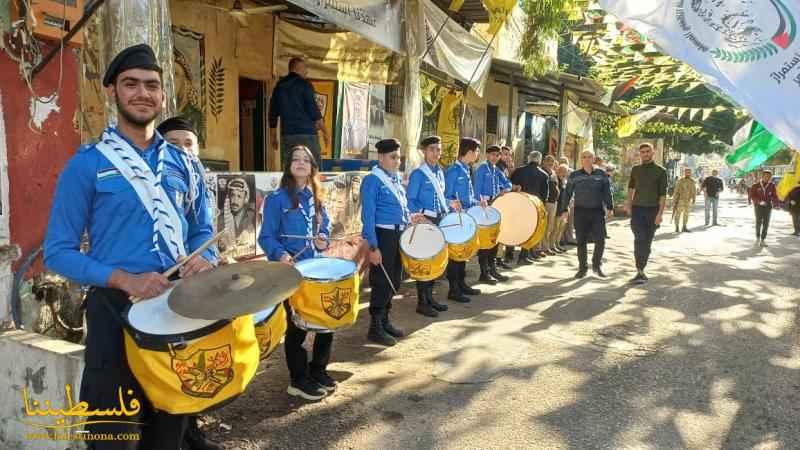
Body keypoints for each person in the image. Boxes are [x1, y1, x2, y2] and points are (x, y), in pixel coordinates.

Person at [43, 44, 216, 450]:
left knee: (169, 428)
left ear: (162, 95)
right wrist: (122, 278)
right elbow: (58, 250)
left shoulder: (185, 162)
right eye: (130, 84)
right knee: (111, 435)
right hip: (114, 310)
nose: (142, 93)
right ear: (111, 92)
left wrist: (205, 258)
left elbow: (202, 230)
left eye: (151, 85)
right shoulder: (86, 164)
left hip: (177, 308)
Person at [156, 117, 221, 450]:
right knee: (162, 366)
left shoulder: (200, 183)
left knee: (191, 360)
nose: (183, 149)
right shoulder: (153, 183)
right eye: (174, 143)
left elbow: (205, 230)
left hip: (192, 284)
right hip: (157, 287)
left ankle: (191, 433)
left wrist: (208, 257)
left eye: (189, 143)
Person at [258, 145, 335, 401]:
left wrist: (324, 237)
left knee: (326, 321)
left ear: (312, 167)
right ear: (289, 166)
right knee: (298, 327)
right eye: (295, 159)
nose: (301, 163)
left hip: (319, 268)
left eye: (306, 160)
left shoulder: (317, 196)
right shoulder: (276, 199)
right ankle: (298, 379)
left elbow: (326, 225)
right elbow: (267, 237)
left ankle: (318, 370)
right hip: (293, 271)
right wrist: (280, 255)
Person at [361, 138, 421, 346]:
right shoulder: (373, 180)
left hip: (399, 234)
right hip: (382, 236)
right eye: (392, 157)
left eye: (398, 157)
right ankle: (374, 327)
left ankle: (385, 320)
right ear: (381, 157)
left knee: (395, 280)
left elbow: (401, 208)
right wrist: (373, 246)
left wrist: (410, 218)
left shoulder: (395, 179)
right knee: (382, 281)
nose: (397, 161)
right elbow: (368, 216)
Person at [406, 136, 451, 317]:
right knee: (424, 260)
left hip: (439, 220)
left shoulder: (440, 172)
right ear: (424, 151)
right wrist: (421, 216)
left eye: (438, 150)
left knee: (434, 260)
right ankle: (422, 302)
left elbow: (440, 198)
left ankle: (430, 298)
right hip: (424, 221)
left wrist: (450, 203)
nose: (436, 153)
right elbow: (410, 200)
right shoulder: (419, 174)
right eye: (432, 149)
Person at [445, 137, 487, 301]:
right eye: (477, 151)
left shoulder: (466, 169)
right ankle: (453, 289)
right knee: (455, 255)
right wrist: (453, 204)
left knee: (463, 254)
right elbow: (446, 196)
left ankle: (461, 284)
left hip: (465, 217)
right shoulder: (454, 171)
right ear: (469, 152)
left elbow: (468, 198)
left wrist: (479, 203)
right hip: (455, 219)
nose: (477, 154)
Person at [560, 150, 613, 279]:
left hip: (597, 212)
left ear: (593, 159)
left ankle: (596, 265)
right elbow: (567, 193)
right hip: (580, 212)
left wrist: (610, 208)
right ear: (580, 159)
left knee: (600, 240)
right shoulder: (574, 175)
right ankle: (582, 268)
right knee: (581, 241)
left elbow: (607, 192)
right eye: (584, 157)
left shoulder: (601, 174)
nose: (587, 159)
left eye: (589, 157)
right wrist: (564, 210)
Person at [269, 56, 329, 165]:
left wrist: (273, 136)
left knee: (291, 169)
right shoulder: (305, 84)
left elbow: (273, 113)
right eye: (305, 68)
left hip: (287, 136)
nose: (306, 71)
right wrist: (325, 132)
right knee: (313, 168)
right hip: (307, 135)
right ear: (297, 68)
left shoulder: (279, 86)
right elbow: (314, 111)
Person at [624, 142, 667, 284]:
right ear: (640, 154)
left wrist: (660, 214)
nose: (645, 154)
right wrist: (628, 204)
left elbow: (662, 194)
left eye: (648, 151)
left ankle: (642, 268)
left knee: (647, 241)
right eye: (642, 152)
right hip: (637, 209)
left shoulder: (661, 171)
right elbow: (630, 188)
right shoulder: (635, 169)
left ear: (652, 152)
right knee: (639, 238)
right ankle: (639, 270)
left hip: (653, 210)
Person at [473, 145, 512, 284]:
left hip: (495, 204)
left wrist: (504, 190)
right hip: (484, 205)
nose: (495, 157)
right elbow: (476, 191)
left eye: (497, 155)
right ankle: (484, 273)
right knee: (485, 240)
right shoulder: (482, 169)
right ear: (487, 155)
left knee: (494, 239)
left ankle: (492, 269)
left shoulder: (497, 170)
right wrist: (482, 202)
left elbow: (508, 183)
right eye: (493, 154)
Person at [509, 151, 549, 265]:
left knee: (514, 228)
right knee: (529, 230)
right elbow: (544, 195)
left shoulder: (518, 170)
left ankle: (509, 253)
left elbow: (511, 186)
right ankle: (523, 256)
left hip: (518, 203)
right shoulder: (544, 175)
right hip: (533, 206)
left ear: (529, 158)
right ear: (539, 160)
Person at [749, 169, 779, 246]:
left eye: (769, 177)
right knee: (758, 222)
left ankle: (763, 239)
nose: (767, 178)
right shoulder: (755, 185)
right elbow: (752, 196)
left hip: (768, 206)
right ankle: (758, 237)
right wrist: (759, 201)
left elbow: (774, 196)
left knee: (766, 223)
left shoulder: (772, 185)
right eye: (766, 176)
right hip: (758, 206)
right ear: (762, 176)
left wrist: (776, 204)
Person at [540, 155, 560, 255]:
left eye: (552, 162)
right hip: (545, 202)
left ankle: (546, 246)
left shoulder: (553, 173)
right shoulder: (541, 172)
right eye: (548, 161)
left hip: (553, 202)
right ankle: (539, 248)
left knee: (550, 226)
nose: (550, 163)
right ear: (543, 162)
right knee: (543, 226)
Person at [558, 156, 577, 247]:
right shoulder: (558, 170)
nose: (563, 162)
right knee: (562, 221)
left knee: (570, 221)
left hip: (571, 199)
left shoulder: (572, 172)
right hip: (562, 200)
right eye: (561, 161)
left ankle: (569, 238)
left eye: (565, 161)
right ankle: (561, 238)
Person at [672, 167, 697, 233]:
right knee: (678, 214)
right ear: (684, 172)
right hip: (680, 200)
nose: (688, 173)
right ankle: (677, 227)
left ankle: (684, 227)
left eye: (689, 172)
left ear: (691, 173)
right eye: (686, 172)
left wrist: (694, 199)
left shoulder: (692, 181)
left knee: (686, 214)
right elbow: (676, 191)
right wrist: (674, 200)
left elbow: (694, 191)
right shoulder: (680, 180)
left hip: (688, 201)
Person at [553, 164, 570, 253]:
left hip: (564, 208)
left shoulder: (565, 181)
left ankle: (557, 244)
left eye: (565, 172)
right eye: (561, 171)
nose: (563, 173)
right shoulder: (556, 180)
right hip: (557, 208)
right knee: (554, 228)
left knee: (560, 228)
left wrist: (566, 209)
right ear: (558, 171)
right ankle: (551, 245)